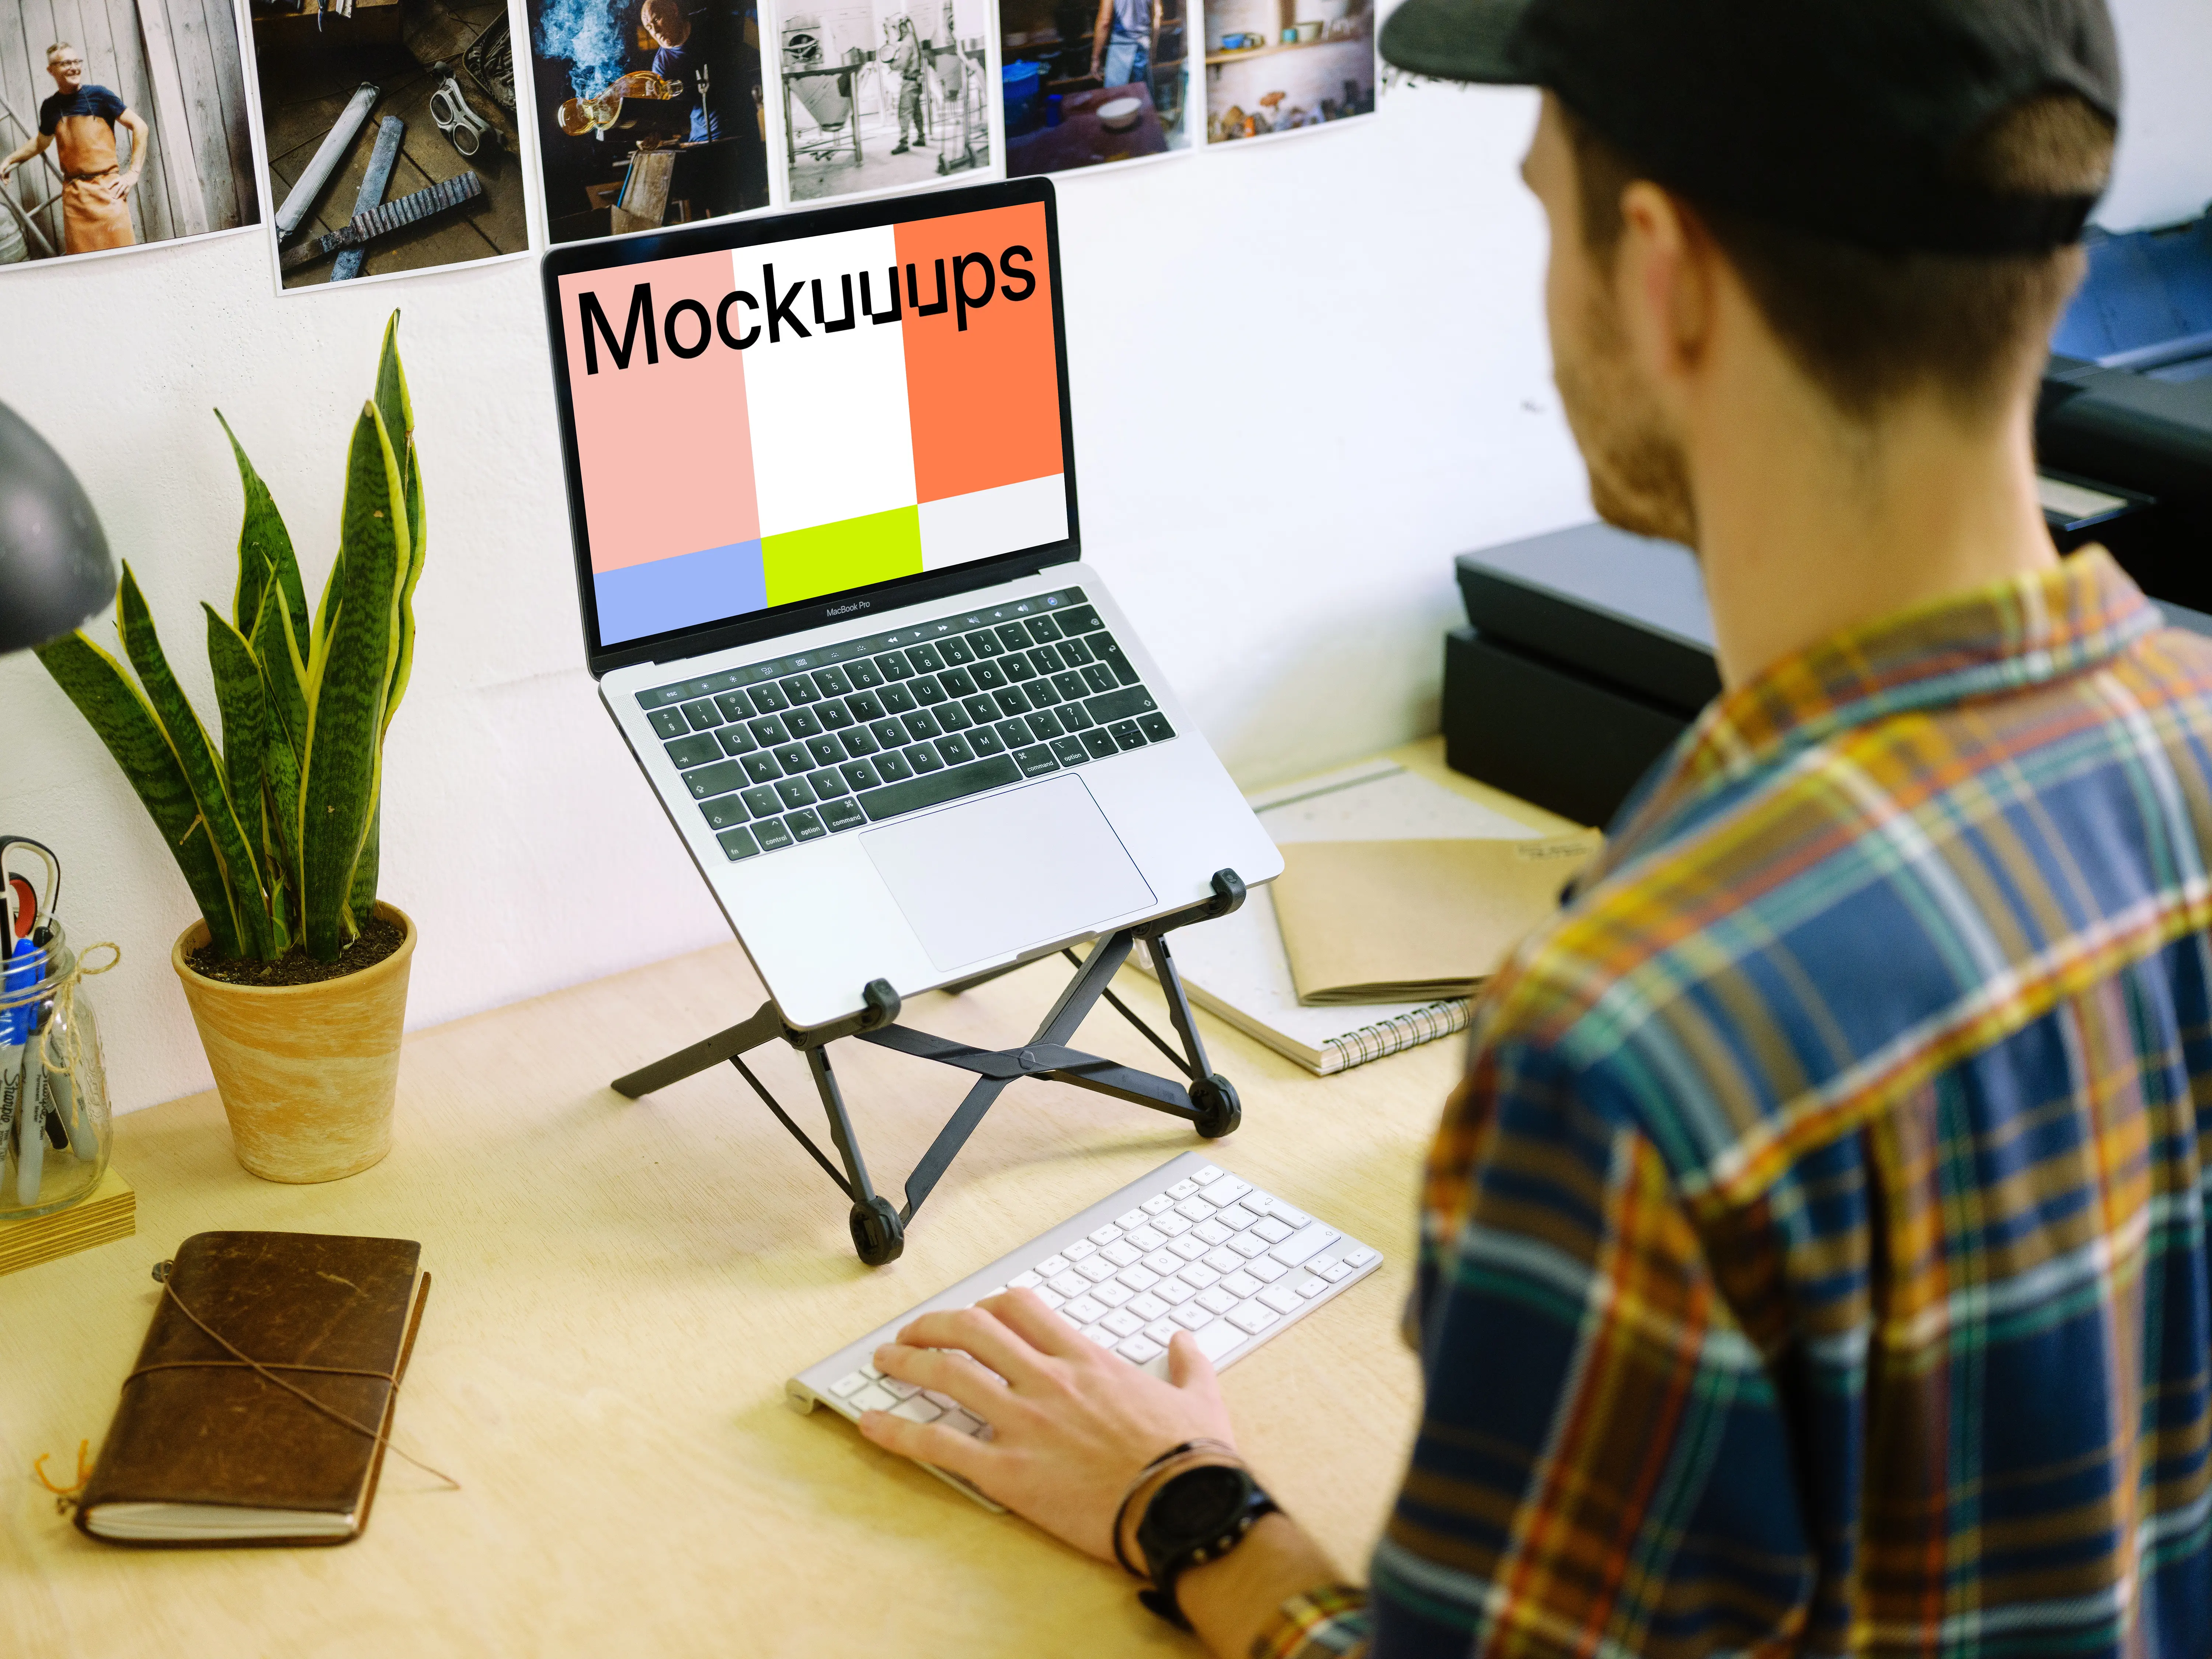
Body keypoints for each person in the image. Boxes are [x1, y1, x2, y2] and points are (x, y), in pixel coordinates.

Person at [855, 1, 2212, 1655]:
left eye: (1541, 211)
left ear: (1662, 275)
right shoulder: (2181, 742)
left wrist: (1193, 1507)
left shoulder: (1634, 1046)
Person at [0, 42, 147, 255]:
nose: (75, 68)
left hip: (109, 191)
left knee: (124, 259)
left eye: (77, 62)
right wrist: (9, 160)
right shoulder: (50, 107)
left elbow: (140, 127)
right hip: (75, 198)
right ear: (52, 70)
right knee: (83, 266)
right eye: (66, 63)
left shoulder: (100, 95)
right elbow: (41, 143)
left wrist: (133, 173)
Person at [886, 16, 925, 156]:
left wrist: (891, 64)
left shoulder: (906, 43)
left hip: (909, 82)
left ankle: (903, 142)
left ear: (899, 27)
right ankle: (921, 137)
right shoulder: (913, 38)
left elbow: (902, 64)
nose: (895, 32)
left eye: (894, 29)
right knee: (916, 111)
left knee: (904, 112)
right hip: (916, 80)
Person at [1088, 0, 1148, 89]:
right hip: (1143, 46)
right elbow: (1157, 14)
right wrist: (1153, 47)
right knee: (1141, 96)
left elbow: (1105, 22)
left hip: (1121, 50)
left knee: (1117, 96)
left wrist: (1095, 58)